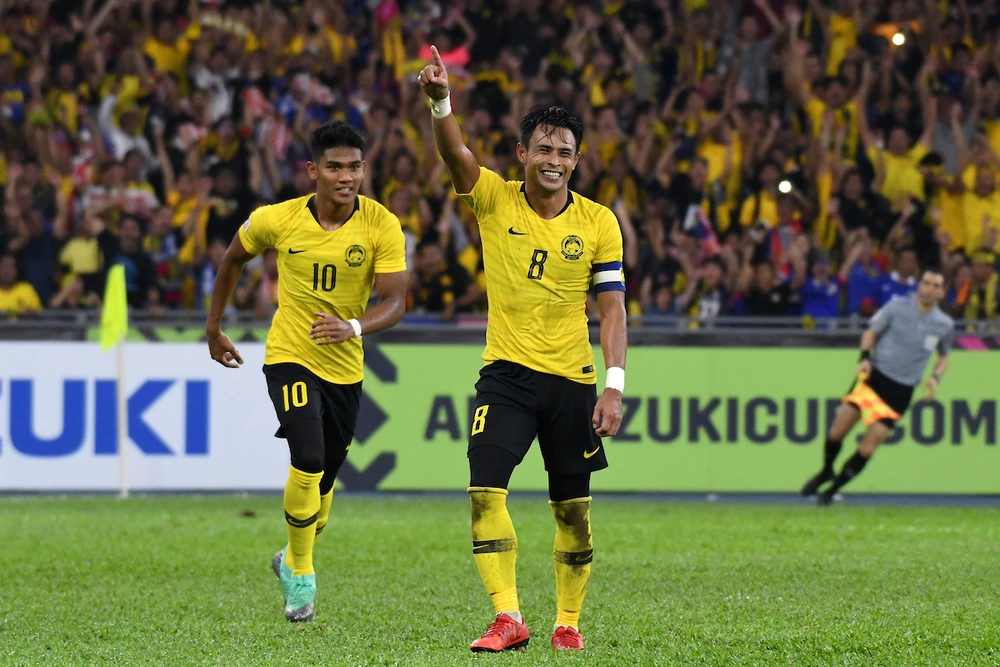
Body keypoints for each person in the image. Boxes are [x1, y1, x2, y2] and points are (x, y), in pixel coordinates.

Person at [418, 46, 628, 653]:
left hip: (572, 381)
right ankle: (507, 616)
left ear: (576, 161)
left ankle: (568, 622)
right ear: (522, 153)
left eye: (564, 152)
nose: (553, 160)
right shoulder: (494, 198)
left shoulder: (599, 223)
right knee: (484, 488)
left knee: (572, 511)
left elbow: (612, 309)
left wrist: (614, 385)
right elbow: (456, 155)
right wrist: (441, 102)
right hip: (506, 375)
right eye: (543, 149)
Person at [204, 121, 408, 622]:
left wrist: (352, 327)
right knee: (309, 456)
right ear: (313, 170)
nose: (346, 177)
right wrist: (214, 327)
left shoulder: (381, 224)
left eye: (354, 167)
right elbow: (232, 259)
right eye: (335, 167)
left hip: (345, 367)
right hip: (290, 356)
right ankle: (302, 576)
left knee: (324, 483)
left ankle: (290, 557)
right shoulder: (277, 219)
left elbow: (395, 301)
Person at [799, 271, 954, 505]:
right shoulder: (897, 307)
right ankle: (825, 470)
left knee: (868, 447)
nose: (930, 289)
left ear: (942, 293)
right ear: (919, 285)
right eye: (926, 283)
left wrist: (935, 377)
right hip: (875, 378)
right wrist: (864, 357)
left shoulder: (944, 324)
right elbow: (871, 332)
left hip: (900, 391)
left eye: (936, 285)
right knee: (837, 432)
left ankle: (831, 491)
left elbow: (944, 356)